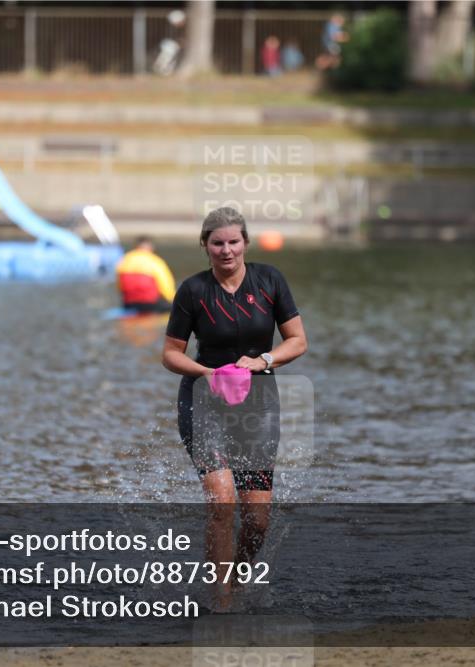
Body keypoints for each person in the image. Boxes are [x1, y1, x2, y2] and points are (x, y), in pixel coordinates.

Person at [162, 207, 307, 609]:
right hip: (204, 400)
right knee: (222, 502)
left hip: (258, 406)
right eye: (217, 243)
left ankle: (236, 577)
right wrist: (204, 372)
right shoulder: (193, 291)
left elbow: (297, 341)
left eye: (233, 242)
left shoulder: (269, 281)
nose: (226, 250)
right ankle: (221, 603)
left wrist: (263, 361)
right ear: (205, 246)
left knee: (257, 521)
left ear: (245, 242)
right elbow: (170, 354)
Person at [116, 236, 176, 314]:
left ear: (136, 246)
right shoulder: (155, 261)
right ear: (151, 247)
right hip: (150, 304)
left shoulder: (125, 260)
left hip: (128, 304)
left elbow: (119, 286)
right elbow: (166, 286)